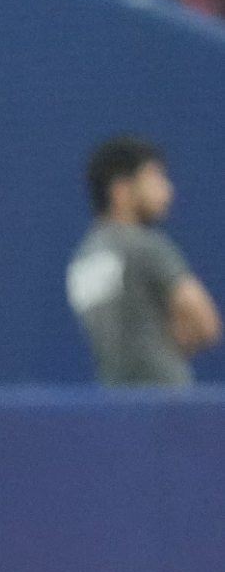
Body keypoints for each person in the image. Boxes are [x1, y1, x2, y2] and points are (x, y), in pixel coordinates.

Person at [67, 136, 221, 387]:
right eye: (155, 178)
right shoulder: (145, 246)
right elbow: (206, 323)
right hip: (167, 404)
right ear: (120, 189)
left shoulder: (82, 259)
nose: (167, 190)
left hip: (116, 407)